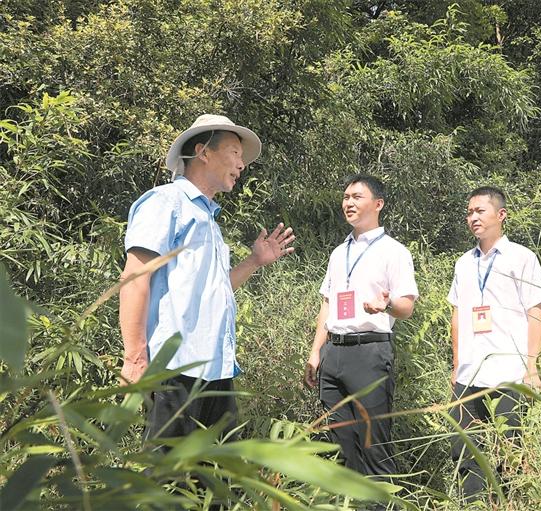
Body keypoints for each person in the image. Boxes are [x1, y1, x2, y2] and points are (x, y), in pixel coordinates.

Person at [118, 114, 295, 444]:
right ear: (203, 152)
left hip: (215, 369)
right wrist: (135, 357)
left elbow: (215, 289)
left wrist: (254, 261)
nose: (241, 164)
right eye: (234, 152)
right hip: (176, 368)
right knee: (169, 472)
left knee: (217, 471)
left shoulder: (208, 218)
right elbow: (135, 277)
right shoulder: (166, 203)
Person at [304, 174, 418, 480]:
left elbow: (407, 307)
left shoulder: (394, 251)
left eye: (357, 197)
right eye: (346, 197)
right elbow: (327, 304)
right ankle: (352, 498)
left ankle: (380, 499)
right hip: (333, 354)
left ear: (378, 204)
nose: (348, 203)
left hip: (369, 353)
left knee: (373, 443)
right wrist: (316, 353)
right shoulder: (339, 252)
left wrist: (387, 305)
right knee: (342, 443)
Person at [447, 186, 541, 502]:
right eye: (469, 212)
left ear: (501, 214)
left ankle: (510, 504)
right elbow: (457, 316)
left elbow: (535, 314)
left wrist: (531, 366)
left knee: (510, 453)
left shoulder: (522, 258)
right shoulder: (464, 263)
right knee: (465, 452)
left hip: (509, 373)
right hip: (468, 375)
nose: (473, 217)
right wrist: (456, 366)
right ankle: (473, 505)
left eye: (480, 211)